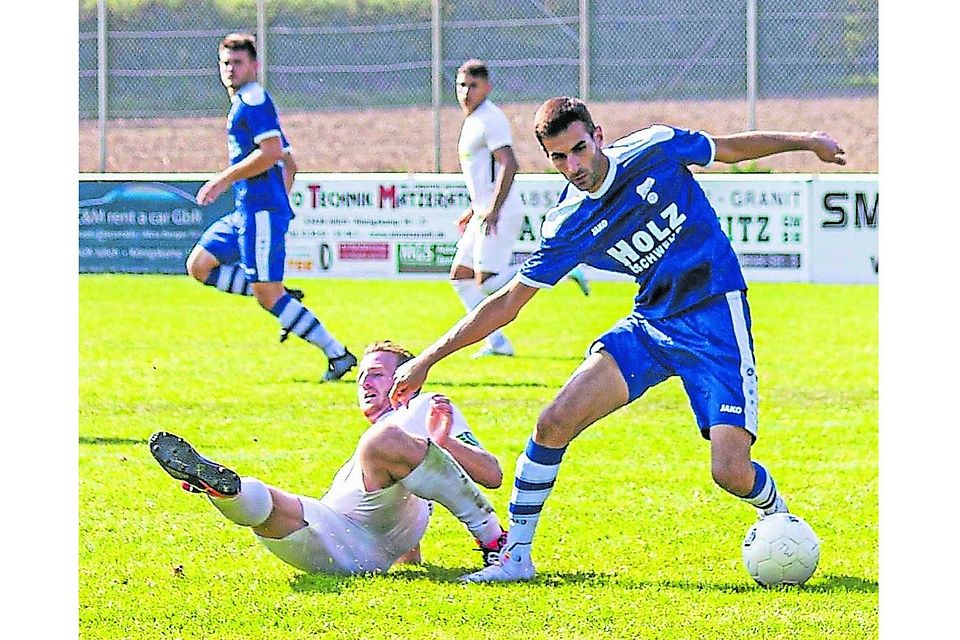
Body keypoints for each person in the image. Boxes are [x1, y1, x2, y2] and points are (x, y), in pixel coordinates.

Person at [390, 97, 846, 582]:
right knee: (553, 422)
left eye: (579, 149)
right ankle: (516, 558)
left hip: (715, 318)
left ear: (598, 135)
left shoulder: (655, 148)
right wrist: (428, 359)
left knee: (730, 472)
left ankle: (777, 516)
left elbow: (729, 148)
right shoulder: (567, 223)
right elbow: (507, 303)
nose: (574, 166)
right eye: (559, 157)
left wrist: (808, 141)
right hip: (651, 324)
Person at [149, 340, 508, 575]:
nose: (366, 383)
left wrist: (445, 443)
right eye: (361, 378)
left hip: (361, 547)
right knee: (267, 505)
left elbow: (492, 474)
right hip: (335, 535)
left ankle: (493, 539)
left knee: (381, 440)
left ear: (407, 378)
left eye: (377, 375)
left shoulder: (426, 406)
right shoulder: (373, 447)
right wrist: (410, 559)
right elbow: (407, 508)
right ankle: (223, 491)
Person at [184, 33, 356, 382]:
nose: (231, 70)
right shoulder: (245, 101)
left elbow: (272, 154)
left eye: (238, 63)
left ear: (254, 65)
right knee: (200, 265)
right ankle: (282, 296)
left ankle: (337, 353)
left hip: (259, 212)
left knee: (266, 295)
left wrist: (224, 181)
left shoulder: (254, 100)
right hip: (248, 212)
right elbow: (289, 162)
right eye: (225, 63)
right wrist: (281, 199)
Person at [451, 60, 589, 359]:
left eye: (473, 86)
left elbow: (509, 164)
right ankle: (498, 344)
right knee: (461, 277)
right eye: (462, 85)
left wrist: (493, 209)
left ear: (487, 87)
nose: (466, 92)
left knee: (486, 282)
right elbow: (482, 173)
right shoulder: (473, 120)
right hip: (483, 210)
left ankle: (562, 271)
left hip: (499, 211)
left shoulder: (490, 118)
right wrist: (473, 208)